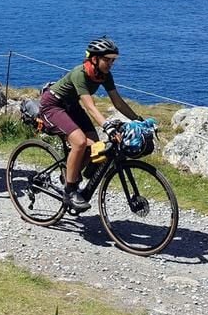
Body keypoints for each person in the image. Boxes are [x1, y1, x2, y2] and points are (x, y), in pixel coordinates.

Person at [38, 36, 142, 211]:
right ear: (94, 59)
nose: (110, 64)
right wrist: (107, 126)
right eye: (107, 60)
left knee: (95, 145)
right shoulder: (81, 73)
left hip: (71, 106)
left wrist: (138, 120)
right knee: (79, 142)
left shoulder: (105, 75)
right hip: (52, 105)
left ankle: (71, 174)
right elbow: (90, 106)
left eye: (112, 61)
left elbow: (118, 102)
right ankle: (70, 191)